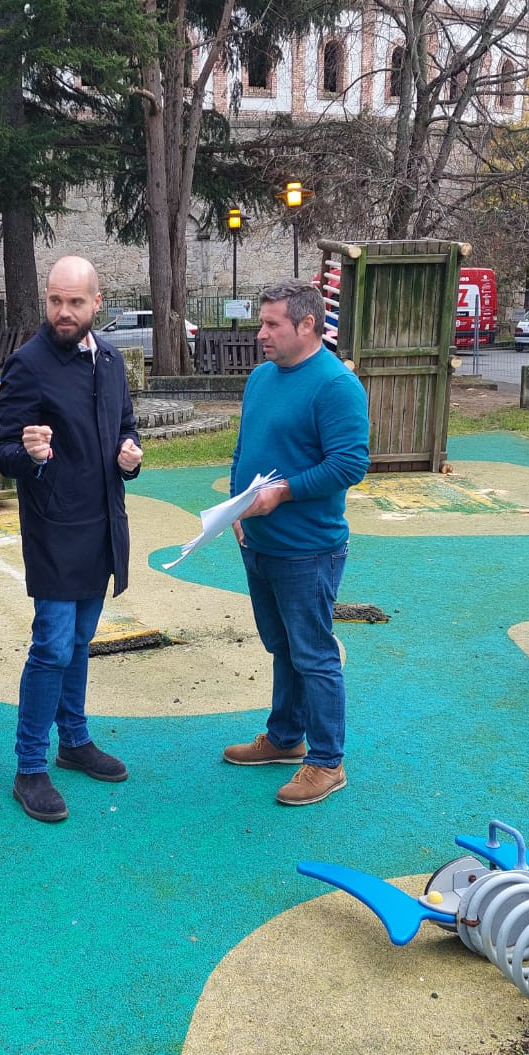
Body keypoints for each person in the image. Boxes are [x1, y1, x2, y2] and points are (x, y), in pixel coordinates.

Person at [0, 256, 143, 823]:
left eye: (75, 302)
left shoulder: (110, 359)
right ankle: (30, 766)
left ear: (96, 303)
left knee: (80, 642)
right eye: (55, 301)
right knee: (53, 646)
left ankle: (74, 741)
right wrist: (28, 452)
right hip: (55, 529)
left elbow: (124, 427)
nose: (62, 311)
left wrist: (130, 456)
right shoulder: (27, 364)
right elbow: (5, 451)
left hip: (103, 525)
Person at [223, 277, 369, 806]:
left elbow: (350, 463)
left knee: (313, 653)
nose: (260, 333)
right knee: (281, 645)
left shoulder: (335, 385)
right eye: (261, 322)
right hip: (257, 540)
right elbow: (246, 446)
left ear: (308, 324)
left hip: (309, 547)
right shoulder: (262, 378)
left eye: (271, 324)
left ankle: (327, 761)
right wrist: (239, 509)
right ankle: (285, 739)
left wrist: (282, 494)